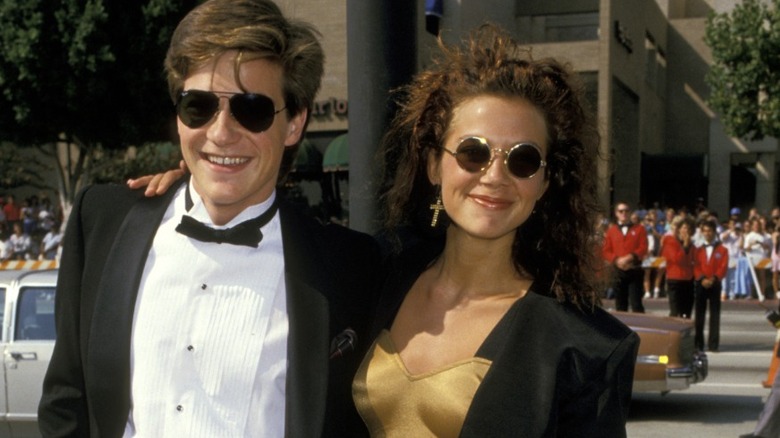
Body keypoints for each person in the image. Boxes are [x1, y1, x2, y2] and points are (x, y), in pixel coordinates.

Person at [37, 1, 379, 437]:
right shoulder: (101, 222)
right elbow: (66, 401)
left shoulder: (351, 266)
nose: (220, 133)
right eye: (199, 106)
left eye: (251, 109)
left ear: (294, 123)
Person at [354, 25, 639, 436]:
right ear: (435, 164)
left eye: (522, 160)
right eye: (474, 152)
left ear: (543, 183)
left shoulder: (586, 347)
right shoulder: (375, 275)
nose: (494, 176)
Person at [603, 202, 649, 312]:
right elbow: (606, 250)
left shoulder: (639, 229)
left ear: (630, 213)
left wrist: (630, 257)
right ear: (616, 214)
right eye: (621, 211)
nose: (624, 213)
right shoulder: (611, 230)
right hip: (618, 271)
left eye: (626, 211)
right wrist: (616, 260)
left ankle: (639, 328)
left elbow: (643, 247)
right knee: (620, 304)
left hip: (634, 270)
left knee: (636, 304)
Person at [693, 219, 728, 352]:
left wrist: (713, 278)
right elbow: (695, 265)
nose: (707, 233)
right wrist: (702, 278)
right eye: (705, 231)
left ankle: (713, 344)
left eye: (710, 231)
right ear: (702, 232)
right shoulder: (697, 250)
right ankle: (698, 344)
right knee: (699, 315)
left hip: (715, 284)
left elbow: (723, 266)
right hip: (701, 284)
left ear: (714, 232)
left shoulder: (722, 249)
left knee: (714, 315)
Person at [660, 215, 696, 318]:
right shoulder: (669, 241)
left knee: (686, 312)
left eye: (688, 229)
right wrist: (685, 245)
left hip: (688, 279)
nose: (686, 231)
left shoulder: (692, 244)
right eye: (684, 228)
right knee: (675, 312)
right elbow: (677, 259)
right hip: (675, 278)